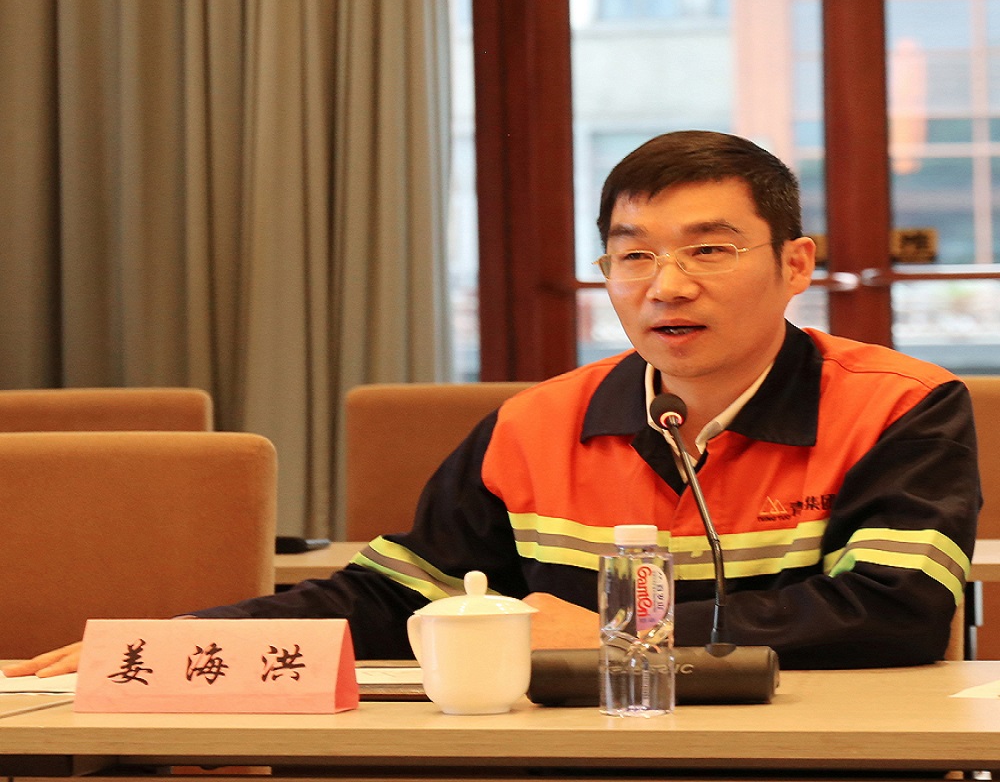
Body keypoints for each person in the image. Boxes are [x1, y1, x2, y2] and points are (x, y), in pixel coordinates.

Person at [5, 130, 980, 678]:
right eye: (633, 255)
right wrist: (179, 641)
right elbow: (394, 596)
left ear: (795, 264)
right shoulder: (533, 423)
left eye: (709, 250)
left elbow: (891, 613)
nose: (666, 285)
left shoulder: (902, 408)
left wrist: (618, 637)